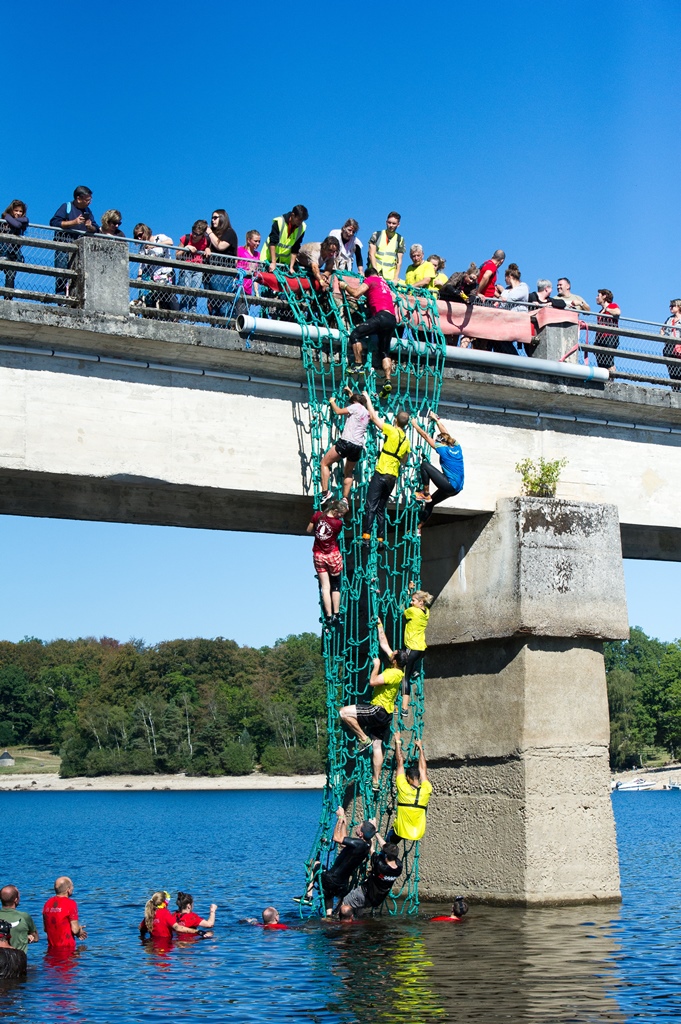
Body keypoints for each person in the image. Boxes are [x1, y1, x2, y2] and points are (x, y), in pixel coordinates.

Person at [339, 623, 408, 790]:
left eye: (394, 654)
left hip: (378, 709)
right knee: (378, 746)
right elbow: (384, 644)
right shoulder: (399, 669)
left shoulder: (393, 673)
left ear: (395, 660)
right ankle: (376, 781)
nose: (392, 653)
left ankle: (363, 738)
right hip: (386, 715)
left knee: (343, 713)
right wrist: (379, 625)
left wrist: (376, 666)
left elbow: (372, 682)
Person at [295, 807, 376, 915]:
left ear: (361, 834)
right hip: (342, 884)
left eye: (359, 827)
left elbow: (337, 838)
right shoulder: (366, 845)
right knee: (329, 894)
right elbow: (343, 842)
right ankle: (329, 917)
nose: (357, 826)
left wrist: (340, 817)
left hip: (331, 879)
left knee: (313, 864)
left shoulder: (358, 843)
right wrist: (344, 823)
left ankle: (308, 895)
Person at [361, 393, 411, 549]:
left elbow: (374, 418)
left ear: (395, 420)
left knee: (371, 506)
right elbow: (404, 460)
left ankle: (366, 538)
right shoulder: (406, 440)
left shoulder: (392, 430)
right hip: (392, 477)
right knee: (381, 508)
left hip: (381, 472)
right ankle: (381, 540)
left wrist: (368, 399)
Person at [340, 267, 398, 397]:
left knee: (355, 334)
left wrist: (345, 286)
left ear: (367, 277)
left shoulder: (371, 280)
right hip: (392, 319)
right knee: (384, 351)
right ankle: (388, 380)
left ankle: (358, 364)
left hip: (380, 316)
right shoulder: (385, 284)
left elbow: (356, 293)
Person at [411, 410, 464, 525]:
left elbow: (425, 436)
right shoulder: (457, 447)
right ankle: (419, 527)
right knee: (430, 503)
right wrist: (436, 420)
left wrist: (414, 424)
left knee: (424, 465)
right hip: (457, 488)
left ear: (441, 443)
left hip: (450, 485)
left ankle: (425, 493)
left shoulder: (443, 450)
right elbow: (446, 433)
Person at [319, 390, 371, 503]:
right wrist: (351, 393)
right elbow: (357, 405)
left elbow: (338, 411)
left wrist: (332, 402)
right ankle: (345, 499)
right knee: (348, 472)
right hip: (357, 446)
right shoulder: (366, 412)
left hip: (346, 442)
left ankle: (325, 492)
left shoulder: (354, 407)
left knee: (324, 463)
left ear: (354, 402)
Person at [49, 186, 99, 295]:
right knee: (61, 273)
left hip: (80, 248)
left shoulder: (88, 211)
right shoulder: (66, 207)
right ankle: (60, 297)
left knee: (78, 276)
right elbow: (54, 222)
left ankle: (73, 298)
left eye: (90, 200)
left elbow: (96, 228)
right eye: (87, 200)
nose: (89, 202)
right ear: (78, 198)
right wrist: (74, 222)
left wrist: (89, 227)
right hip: (64, 246)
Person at [307, 499, 348, 629]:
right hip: (332, 555)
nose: (342, 516)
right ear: (336, 511)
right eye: (341, 514)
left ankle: (329, 616)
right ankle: (336, 613)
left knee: (325, 587)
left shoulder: (317, 515)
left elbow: (309, 530)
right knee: (335, 585)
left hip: (318, 555)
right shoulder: (337, 524)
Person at [388, 732, 432, 845]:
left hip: (401, 832)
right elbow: (423, 770)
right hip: (417, 833)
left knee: (388, 844)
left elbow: (400, 763)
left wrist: (397, 741)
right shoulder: (426, 790)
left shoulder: (403, 788)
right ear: (418, 777)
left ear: (408, 778)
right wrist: (420, 749)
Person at [342, 836, 403, 915]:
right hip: (376, 899)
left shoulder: (380, 865)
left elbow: (372, 850)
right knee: (359, 906)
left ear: (386, 856)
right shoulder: (399, 867)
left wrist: (370, 837)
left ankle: (339, 923)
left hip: (365, 893)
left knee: (344, 904)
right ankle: (357, 923)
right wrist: (377, 833)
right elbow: (386, 848)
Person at [398, 587, 434, 710]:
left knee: (404, 677)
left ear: (421, 602)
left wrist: (407, 591)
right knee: (411, 666)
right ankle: (414, 670)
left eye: (413, 600)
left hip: (412, 648)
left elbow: (401, 609)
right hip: (421, 649)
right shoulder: (426, 612)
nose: (411, 602)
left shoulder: (413, 611)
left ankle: (404, 708)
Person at [134, 225, 179, 313]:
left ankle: (178, 315)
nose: (139, 238)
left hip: (167, 271)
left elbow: (170, 242)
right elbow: (142, 264)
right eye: (136, 237)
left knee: (169, 294)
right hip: (155, 276)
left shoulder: (159, 237)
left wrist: (154, 245)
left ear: (145, 231)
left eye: (140, 235)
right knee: (159, 299)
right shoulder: (142, 248)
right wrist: (139, 276)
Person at [205, 210, 239, 319]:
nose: (212, 220)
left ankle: (226, 327)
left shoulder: (230, 233)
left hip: (224, 273)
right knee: (213, 307)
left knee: (223, 305)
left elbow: (220, 246)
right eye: (212, 218)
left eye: (215, 217)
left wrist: (209, 232)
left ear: (222, 218)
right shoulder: (212, 235)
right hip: (211, 274)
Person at [42, 876, 87, 950]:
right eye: (72, 886)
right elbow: (75, 930)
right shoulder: (70, 904)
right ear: (68, 890)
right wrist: (79, 931)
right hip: (67, 949)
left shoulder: (47, 903)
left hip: (51, 949)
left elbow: (45, 929)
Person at [177, 219, 210, 312]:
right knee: (185, 292)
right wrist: (186, 248)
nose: (194, 236)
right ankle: (182, 314)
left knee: (195, 292)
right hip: (186, 267)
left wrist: (208, 249)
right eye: (193, 232)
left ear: (203, 234)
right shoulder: (186, 238)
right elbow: (177, 254)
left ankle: (192, 315)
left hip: (198, 268)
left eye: (198, 234)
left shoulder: (206, 240)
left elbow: (208, 248)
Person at [263, 205, 308, 273]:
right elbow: (273, 242)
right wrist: (273, 262)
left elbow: (295, 248)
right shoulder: (279, 222)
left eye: (302, 220)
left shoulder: (302, 228)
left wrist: (291, 267)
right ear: (293, 215)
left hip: (284, 264)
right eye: (299, 219)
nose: (300, 222)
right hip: (268, 259)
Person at [0, 200, 28, 295]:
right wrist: (7, 217)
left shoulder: (24, 220)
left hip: (14, 253)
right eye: (16, 210)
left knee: (10, 276)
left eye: (20, 211)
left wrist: (8, 218)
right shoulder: (3, 220)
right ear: (11, 210)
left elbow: (18, 224)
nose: (18, 213)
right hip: (2, 249)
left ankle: (8, 297)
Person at [368, 212, 405, 283]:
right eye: (389, 222)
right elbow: (371, 255)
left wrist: (395, 278)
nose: (391, 225)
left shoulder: (400, 239)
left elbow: (399, 261)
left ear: (398, 224)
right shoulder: (377, 235)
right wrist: (376, 273)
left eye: (394, 223)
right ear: (386, 222)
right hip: (374, 272)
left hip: (389, 276)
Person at [0, 884, 39, 952]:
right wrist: (25, 937)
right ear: (16, 900)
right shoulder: (24, 916)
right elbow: (35, 938)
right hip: (18, 959)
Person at [595, 288, 621, 370]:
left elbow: (617, 312)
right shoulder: (600, 312)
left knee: (609, 361)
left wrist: (607, 309)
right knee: (601, 362)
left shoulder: (612, 306)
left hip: (610, 336)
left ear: (604, 296)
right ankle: (604, 380)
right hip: (600, 338)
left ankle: (611, 380)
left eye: (598, 295)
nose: (596, 298)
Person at [660, 298, 681, 391]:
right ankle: (675, 388)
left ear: (679, 307)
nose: (670, 308)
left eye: (673, 306)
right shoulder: (669, 319)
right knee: (672, 370)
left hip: (679, 345)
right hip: (669, 346)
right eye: (670, 306)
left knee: (678, 369)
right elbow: (662, 329)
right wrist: (662, 336)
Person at [237, 230, 262, 296]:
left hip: (248, 289)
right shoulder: (240, 250)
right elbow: (233, 265)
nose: (258, 243)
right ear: (248, 240)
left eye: (259, 241)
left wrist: (256, 292)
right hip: (238, 286)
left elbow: (256, 275)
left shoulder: (258, 255)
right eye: (255, 241)